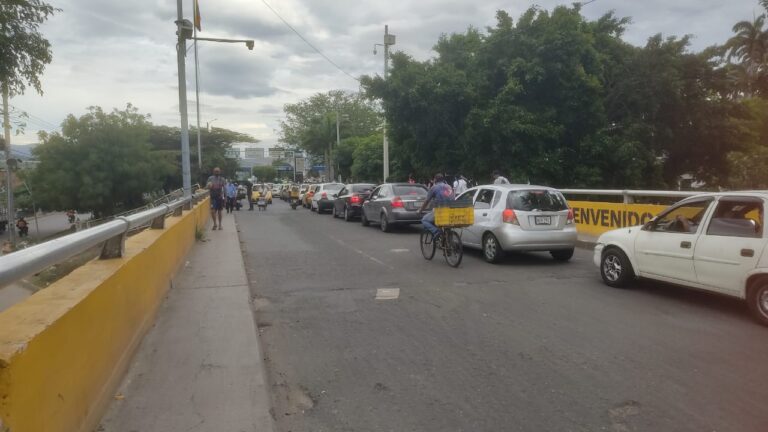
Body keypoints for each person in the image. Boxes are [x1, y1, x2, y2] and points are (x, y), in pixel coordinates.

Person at [418, 173, 455, 240]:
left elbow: (427, 201)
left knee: (424, 220)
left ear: (435, 180)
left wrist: (420, 211)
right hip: (451, 211)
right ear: (443, 179)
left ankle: (436, 231)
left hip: (440, 211)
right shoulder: (449, 186)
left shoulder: (434, 187)